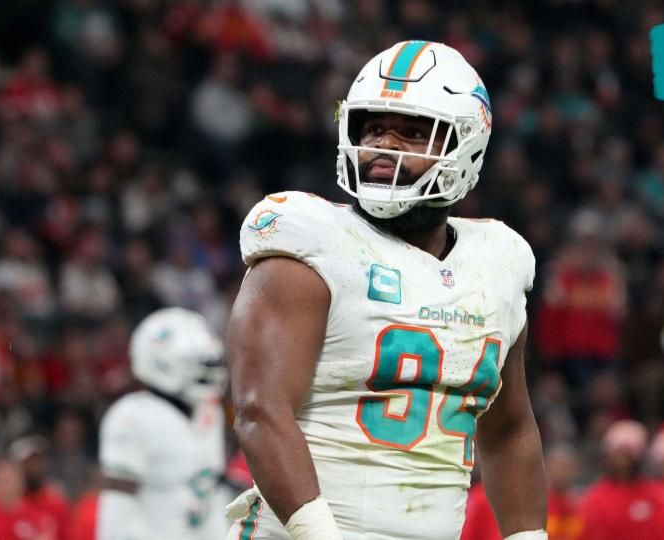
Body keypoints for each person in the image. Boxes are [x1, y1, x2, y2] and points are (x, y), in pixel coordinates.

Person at [226, 41, 547, 539]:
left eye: (414, 133)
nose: (385, 146)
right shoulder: (311, 241)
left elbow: (508, 430)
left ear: (465, 146)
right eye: (374, 128)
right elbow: (259, 408)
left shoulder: (497, 261)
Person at [96, 307, 228, 540]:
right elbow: (116, 513)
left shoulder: (209, 413)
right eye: (194, 363)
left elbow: (211, 497)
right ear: (161, 363)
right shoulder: (132, 417)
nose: (207, 372)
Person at [576, 420, 664, 540]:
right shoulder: (596, 498)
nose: (622, 462)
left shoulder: (658, 496)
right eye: (618, 454)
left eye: (628, 454)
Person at [9, 436, 71, 540]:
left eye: (37, 462)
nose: (33, 468)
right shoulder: (7, 505)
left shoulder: (55, 502)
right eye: (27, 464)